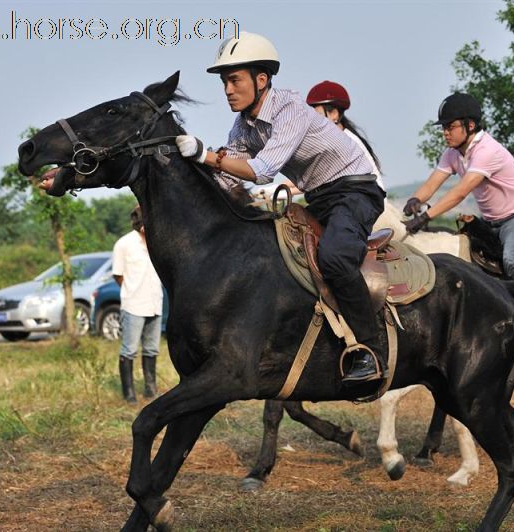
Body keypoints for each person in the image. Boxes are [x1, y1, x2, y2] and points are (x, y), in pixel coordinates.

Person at [174, 31, 387, 384]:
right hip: (319, 198)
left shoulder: (291, 109)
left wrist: (205, 155)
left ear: (261, 80)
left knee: (334, 259)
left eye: (234, 80)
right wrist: (186, 171)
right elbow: (227, 180)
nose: (227, 89)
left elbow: (261, 171)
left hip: (356, 192)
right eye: (225, 82)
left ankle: (372, 351)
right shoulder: (243, 126)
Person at [403, 92, 514, 280]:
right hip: (489, 222)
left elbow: (459, 193)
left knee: (512, 262)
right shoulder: (451, 153)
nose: (445, 133)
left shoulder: (487, 151)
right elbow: (431, 184)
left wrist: (425, 217)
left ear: (471, 126)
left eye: (450, 127)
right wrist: (415, 199)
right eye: (443, 127)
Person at [112, 205, 164, 403]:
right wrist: (131, 291)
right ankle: (129, 393)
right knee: (129, 350)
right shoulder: (124, 244)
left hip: (155, 302)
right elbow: (118, 275)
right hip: (133, 304)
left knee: (151, 349)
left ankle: (150, 389)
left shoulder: (157, 242)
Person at [305, 80, 385, 192]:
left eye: (318, 116)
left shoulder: (346, 142)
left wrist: (277, 190)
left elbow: (317, 179)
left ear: (334, 114)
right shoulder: (338, 138)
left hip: (367, 202)